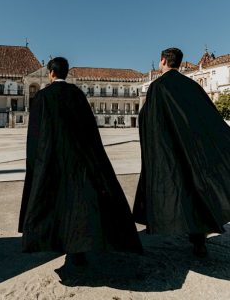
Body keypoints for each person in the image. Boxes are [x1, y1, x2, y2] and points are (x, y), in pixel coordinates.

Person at [19, 57, 142, 268]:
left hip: (52, 160)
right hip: (78, 159)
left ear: (50, 73)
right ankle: (80, 249)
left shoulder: (42, 97)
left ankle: (62, 246)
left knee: (56, 204)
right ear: (66, 73)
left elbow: (36, 135)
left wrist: (35, 162)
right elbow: (89, 130)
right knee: (79, 203)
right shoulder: (77, 95)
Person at [133, 47, 230, 257]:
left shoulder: (158, 87)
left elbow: (150, 119)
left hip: (171, 149)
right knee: (197, 192)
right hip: (194, 148)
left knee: (177, 190)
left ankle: (167, 225)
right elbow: (208, 116)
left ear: (162, 61)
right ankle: (199, 241)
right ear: (178, 62)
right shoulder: (192, 85)